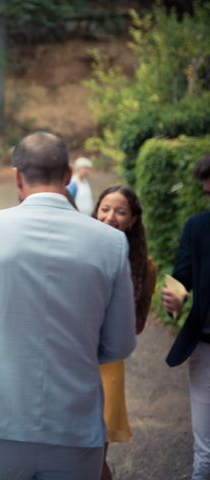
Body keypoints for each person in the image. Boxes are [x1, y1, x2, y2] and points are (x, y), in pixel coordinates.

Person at [0, 131, 136, 480]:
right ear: (68, 175)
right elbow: (119, 344)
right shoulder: (111, 243)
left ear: (16, 176)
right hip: (75, 424)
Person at [93, 186, 157, 480]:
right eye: (105, 208)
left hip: (108, 363)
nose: (110, 217)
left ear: (132, 220)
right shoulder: (77, 253)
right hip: (69, 353)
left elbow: (138, 325)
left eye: (120, 211)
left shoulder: (144, 267)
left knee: (95, 451)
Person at [162, 155, 210, 480]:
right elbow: (181, 280)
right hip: (205, 348)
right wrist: (174, 299)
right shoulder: (197, 227)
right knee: (205, 451)